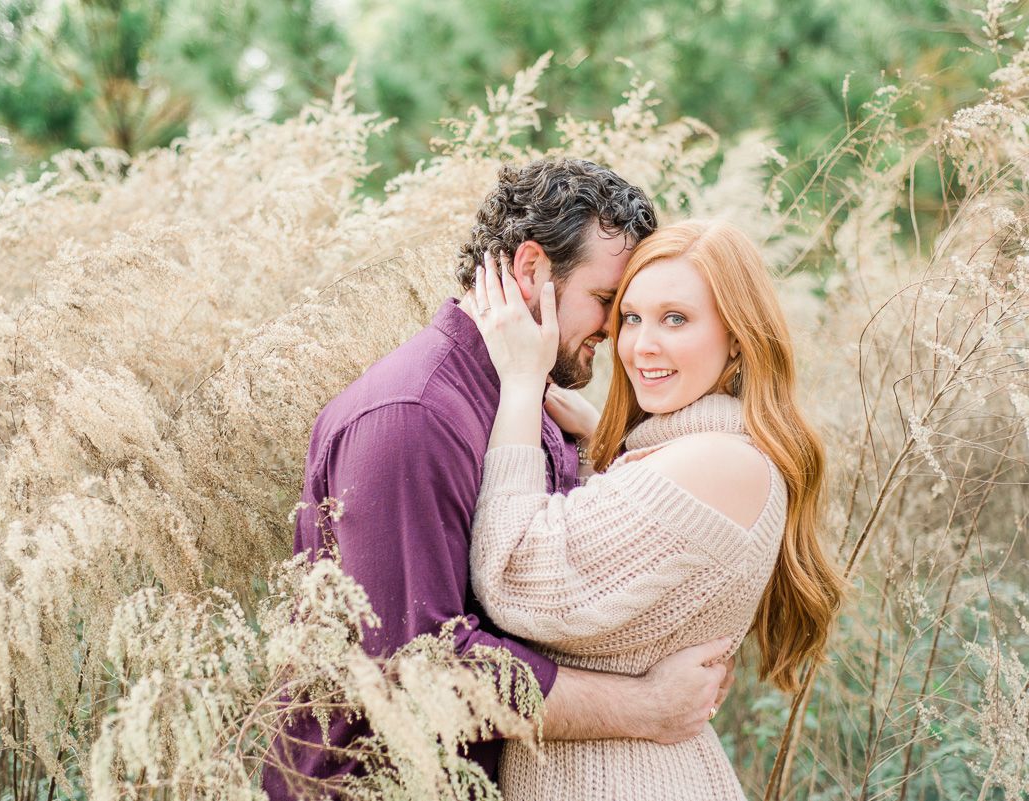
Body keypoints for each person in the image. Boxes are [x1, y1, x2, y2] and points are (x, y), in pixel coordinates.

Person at [262, 161, 738, 800]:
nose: (617, 332)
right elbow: (420, 672)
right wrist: (645, 706)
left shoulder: (526, 402)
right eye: (607, 302)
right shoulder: (412, 418)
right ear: (534, 270)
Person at [465, 219, 844, 800]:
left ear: (738, 337)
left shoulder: (718, 465)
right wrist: (606, 444)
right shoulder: (714, 452)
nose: (642, 346)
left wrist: (521, 382)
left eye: (676, 319)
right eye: (631, 317)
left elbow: (515, 579)